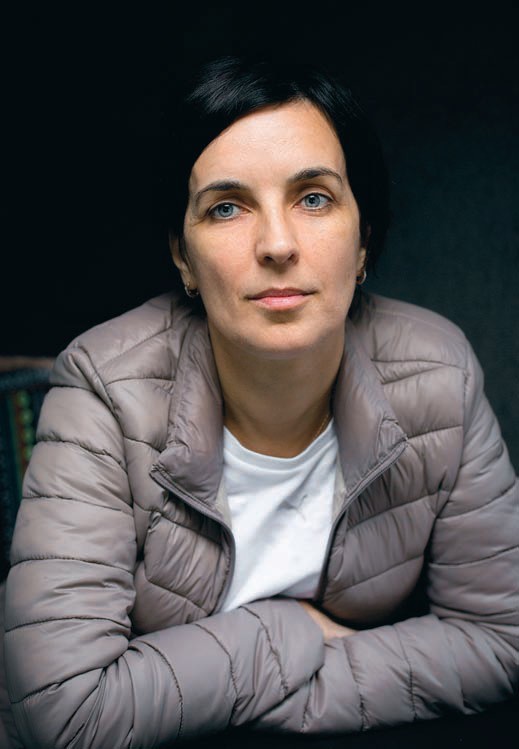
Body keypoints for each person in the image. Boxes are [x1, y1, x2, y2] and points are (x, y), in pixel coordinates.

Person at [1, 55, 518, 748]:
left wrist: (248, 694)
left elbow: (501, 638)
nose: (277, 244)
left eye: (314, 198)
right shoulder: (102, 388)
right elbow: (65, 712)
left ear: (363, 240)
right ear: (182, 257)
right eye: (226, 207)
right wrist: (285, 632)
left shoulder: (439, 374)